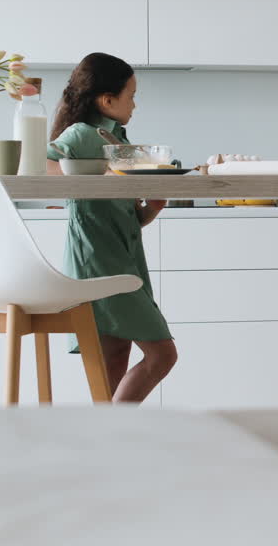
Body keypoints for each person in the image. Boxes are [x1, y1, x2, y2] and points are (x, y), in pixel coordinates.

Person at [46, 52, 176, 403]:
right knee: (162, 355)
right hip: (98, 260)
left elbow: (130, 218)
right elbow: (44, 167)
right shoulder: (80, 135)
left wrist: (151, 209)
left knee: (117, 354)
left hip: (125, 258)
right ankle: (111, 426)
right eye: (131, 96)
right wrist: (97, 177)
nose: (134, 104)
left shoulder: (119, 143)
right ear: (107, 100)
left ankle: (104, 431)